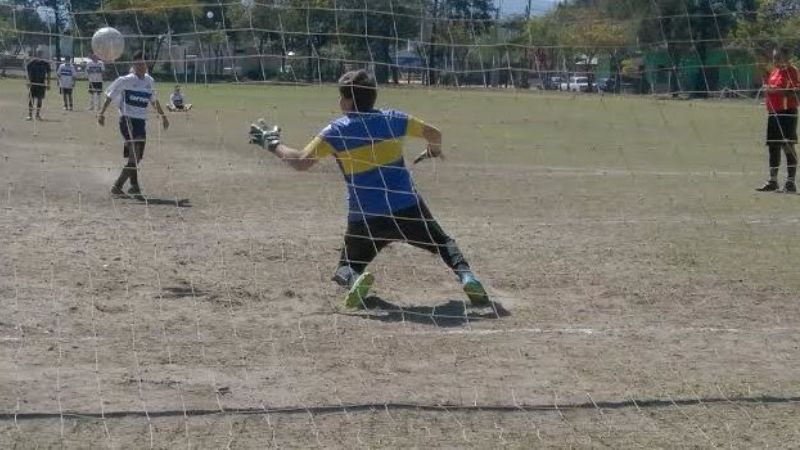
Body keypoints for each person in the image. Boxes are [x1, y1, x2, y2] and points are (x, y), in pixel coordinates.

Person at [249, 69, 489, 309]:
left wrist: (273, 145)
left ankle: (355, 280)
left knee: (344, 267)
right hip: (407, 207)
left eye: (342, 96)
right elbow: (434, 133)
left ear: (350, 101)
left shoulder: (337, 130)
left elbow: (300, 161)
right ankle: (467, 277)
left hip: (365, 217)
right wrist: (434, 151)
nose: (339, 101)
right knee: (444, 244)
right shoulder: (394, 119)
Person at [97, 50, 169, 197]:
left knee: (137, 156)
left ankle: (134, 186)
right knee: (134, 155)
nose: (141, 66)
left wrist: (163, 116)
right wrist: (101, 113)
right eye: (138, 64)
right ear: (134, 65)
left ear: (147, 64)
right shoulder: (125, 80)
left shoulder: (150, 81)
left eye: (143, 63)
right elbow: (110, 96)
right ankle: (117, 186)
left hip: (141, 122)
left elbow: (154, 100)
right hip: (127, 119)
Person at [757, 45, 800, 193]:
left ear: (787, 58)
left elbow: (796, 92)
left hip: (787, 113)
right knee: (773, 147)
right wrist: (764, 75)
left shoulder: (793, 71)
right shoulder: (775, 71)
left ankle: (790, 183)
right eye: (774, 58)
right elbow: (770, 85)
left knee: (788, 146)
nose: (775, 60)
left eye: (778, 58)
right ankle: (773, 181)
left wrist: (775, 90)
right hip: (773, 113)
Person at [25, 50, 51, 120]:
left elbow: (48, 74)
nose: (39, 56)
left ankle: (37, 114)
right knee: (31, 99)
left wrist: (48, 84)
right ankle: (30, 115)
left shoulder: (45, 64)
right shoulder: (31, 63)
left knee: (40, 99)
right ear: (36, 55)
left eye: (41, 55)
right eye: (38, 55)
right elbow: (27, 73)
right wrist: (28, 81)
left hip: (41, 84)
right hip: (33, 83)